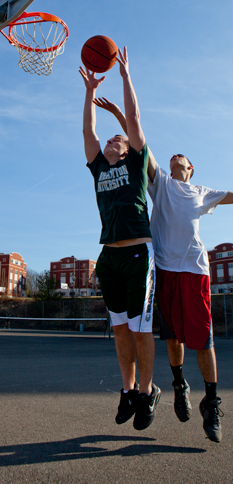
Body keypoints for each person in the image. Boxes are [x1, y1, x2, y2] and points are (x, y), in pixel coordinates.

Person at [94, 94, 233, 444]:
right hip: (162, 268)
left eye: (181, 158)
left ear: (190, 168)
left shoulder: (202, 192)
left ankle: (212, 402)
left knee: (203, 339)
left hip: (195, 270)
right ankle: (178, 383)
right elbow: (143, 145)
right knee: (171, 336)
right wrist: (115, 113)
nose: (175, 158)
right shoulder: (160, 183)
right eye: (172, 157)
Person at [80, 47, 160, 431]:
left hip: (138, 256)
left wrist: (126, 76)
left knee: (142, 329)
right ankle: (127, 390)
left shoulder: (135, 161)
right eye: (110, 140)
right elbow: (87, 132)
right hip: (108, 257)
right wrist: (88, 90)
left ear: (128, 147)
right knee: (119, 329)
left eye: (118, 139)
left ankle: (147, 393)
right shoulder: (98, 167)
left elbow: (133, 118)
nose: (112, 140)